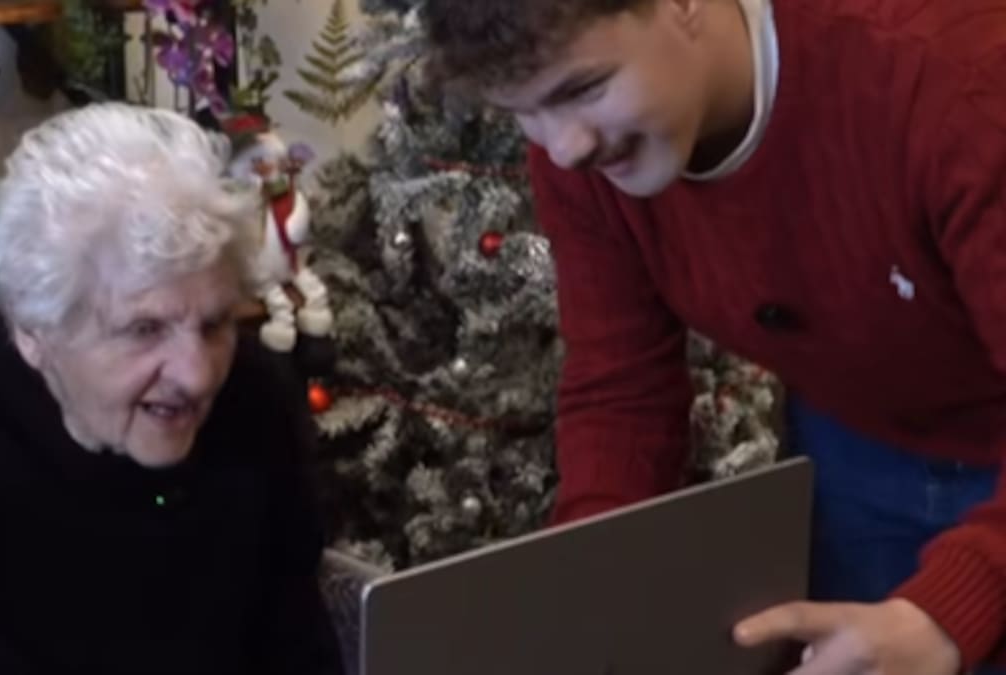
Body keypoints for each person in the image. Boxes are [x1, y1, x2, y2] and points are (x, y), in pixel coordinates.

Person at [422, 0, 1006, 673]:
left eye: (583, 89)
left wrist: (952, 606)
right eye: (522, 112)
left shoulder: (955, 83)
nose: (563, 147)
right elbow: (621, 387)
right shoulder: (580, 156)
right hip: (858, 443)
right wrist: (589, 591)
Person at [0, 103, 343, 675]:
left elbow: (298, 652)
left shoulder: (256, 401)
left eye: (214, 324)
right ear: (34, 332)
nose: (197, 374)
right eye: (144, 329)